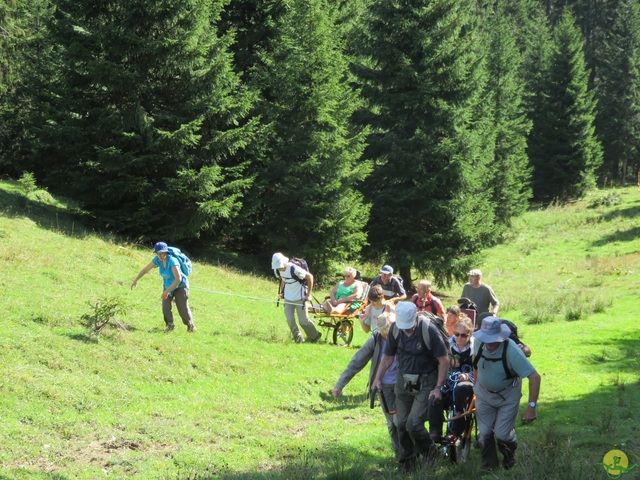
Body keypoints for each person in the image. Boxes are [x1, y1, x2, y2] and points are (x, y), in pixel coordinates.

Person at [372, 302, 449, 472]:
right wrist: (378, 378)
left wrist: (438, 387)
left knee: (413, 424)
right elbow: (388, 356)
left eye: (408, 326)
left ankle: (431, 454)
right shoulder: (395, 329)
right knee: (401, 423)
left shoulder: (429, 330)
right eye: (403, 326)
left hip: (426, 381)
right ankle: (408, 461)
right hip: (403, 381)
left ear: (415, 317)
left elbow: (444, 360)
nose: (406, 330)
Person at [472, 316, 541, 470]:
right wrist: (475, 384)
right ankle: (489, 466)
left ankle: (509, 457)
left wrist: (531, 407)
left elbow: (535, 377)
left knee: (502, 435)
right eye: (486, 339)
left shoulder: (512, 350)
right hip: (483, 394)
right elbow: (474, 361)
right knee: (484, 433)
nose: (489, 344)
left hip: (507, 396)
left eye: (493, 340)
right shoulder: (478, 342)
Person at [333, 311, 399, 455]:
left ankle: (412, 452)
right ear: (380, 332)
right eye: (385, 335)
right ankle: (401, 455)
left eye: (391, 334)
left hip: (402, 386)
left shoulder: (403, 337)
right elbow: (357, 361)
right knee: (392, 424)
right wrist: (340, 384)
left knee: (403, 422)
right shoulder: (375, 340)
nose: (389, 338)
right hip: (384, 387)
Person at [131, 242, 196, 333]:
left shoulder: (173, 261)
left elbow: (178, 279)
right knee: (165, 306)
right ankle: (170, 325)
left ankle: (190, 326)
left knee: (182, 308)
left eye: (162, 253)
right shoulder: (157, 260)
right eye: (158, 253)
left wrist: (167, 291)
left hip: (180, 286)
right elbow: (146, 269)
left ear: (166, 252)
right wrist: (136, 280)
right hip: (168, 285)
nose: (160, 255)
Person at [429, 317, 475, 444]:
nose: (459, 338)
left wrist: (468, 376)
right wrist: (447, 363)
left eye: (463, 335)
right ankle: (435, 431)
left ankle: (455, 431)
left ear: (470, 334)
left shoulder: (475, 347)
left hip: (467, 383)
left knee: (461, 388)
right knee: (434, 395)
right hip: (449, 380)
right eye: (456, 334)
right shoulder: (447, 345)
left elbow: (480, 369)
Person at [272, 253, 322, 343]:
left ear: (284, 263)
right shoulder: (277, 270)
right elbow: (283, 280)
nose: (279, 268)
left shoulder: (294, 268)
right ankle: (298, 339)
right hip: (288, 298)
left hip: (300, 297)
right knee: (290, 320)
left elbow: (310, 277)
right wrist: (282, 293)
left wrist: (308, 294)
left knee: (303, 321)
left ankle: (315, 336)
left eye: (280, 266)